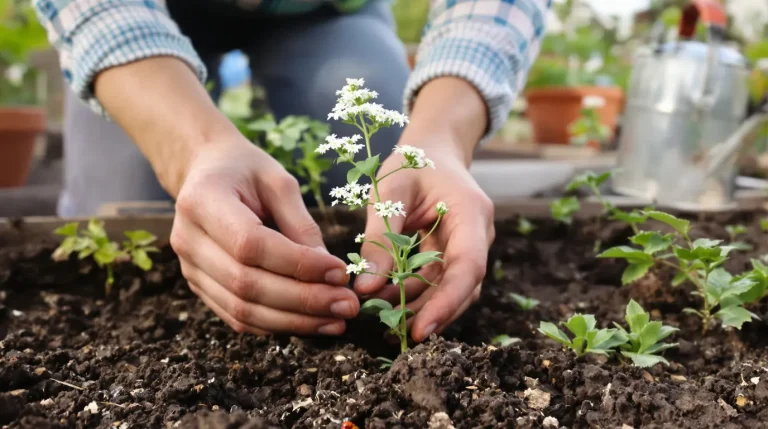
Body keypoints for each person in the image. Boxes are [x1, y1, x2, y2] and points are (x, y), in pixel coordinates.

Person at [34, 0, 549, 342]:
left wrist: (441, 139)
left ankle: (352, 308)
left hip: (324, 9)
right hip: (143, 13)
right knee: (125, 208)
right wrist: (194, 150)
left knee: (389, 173)